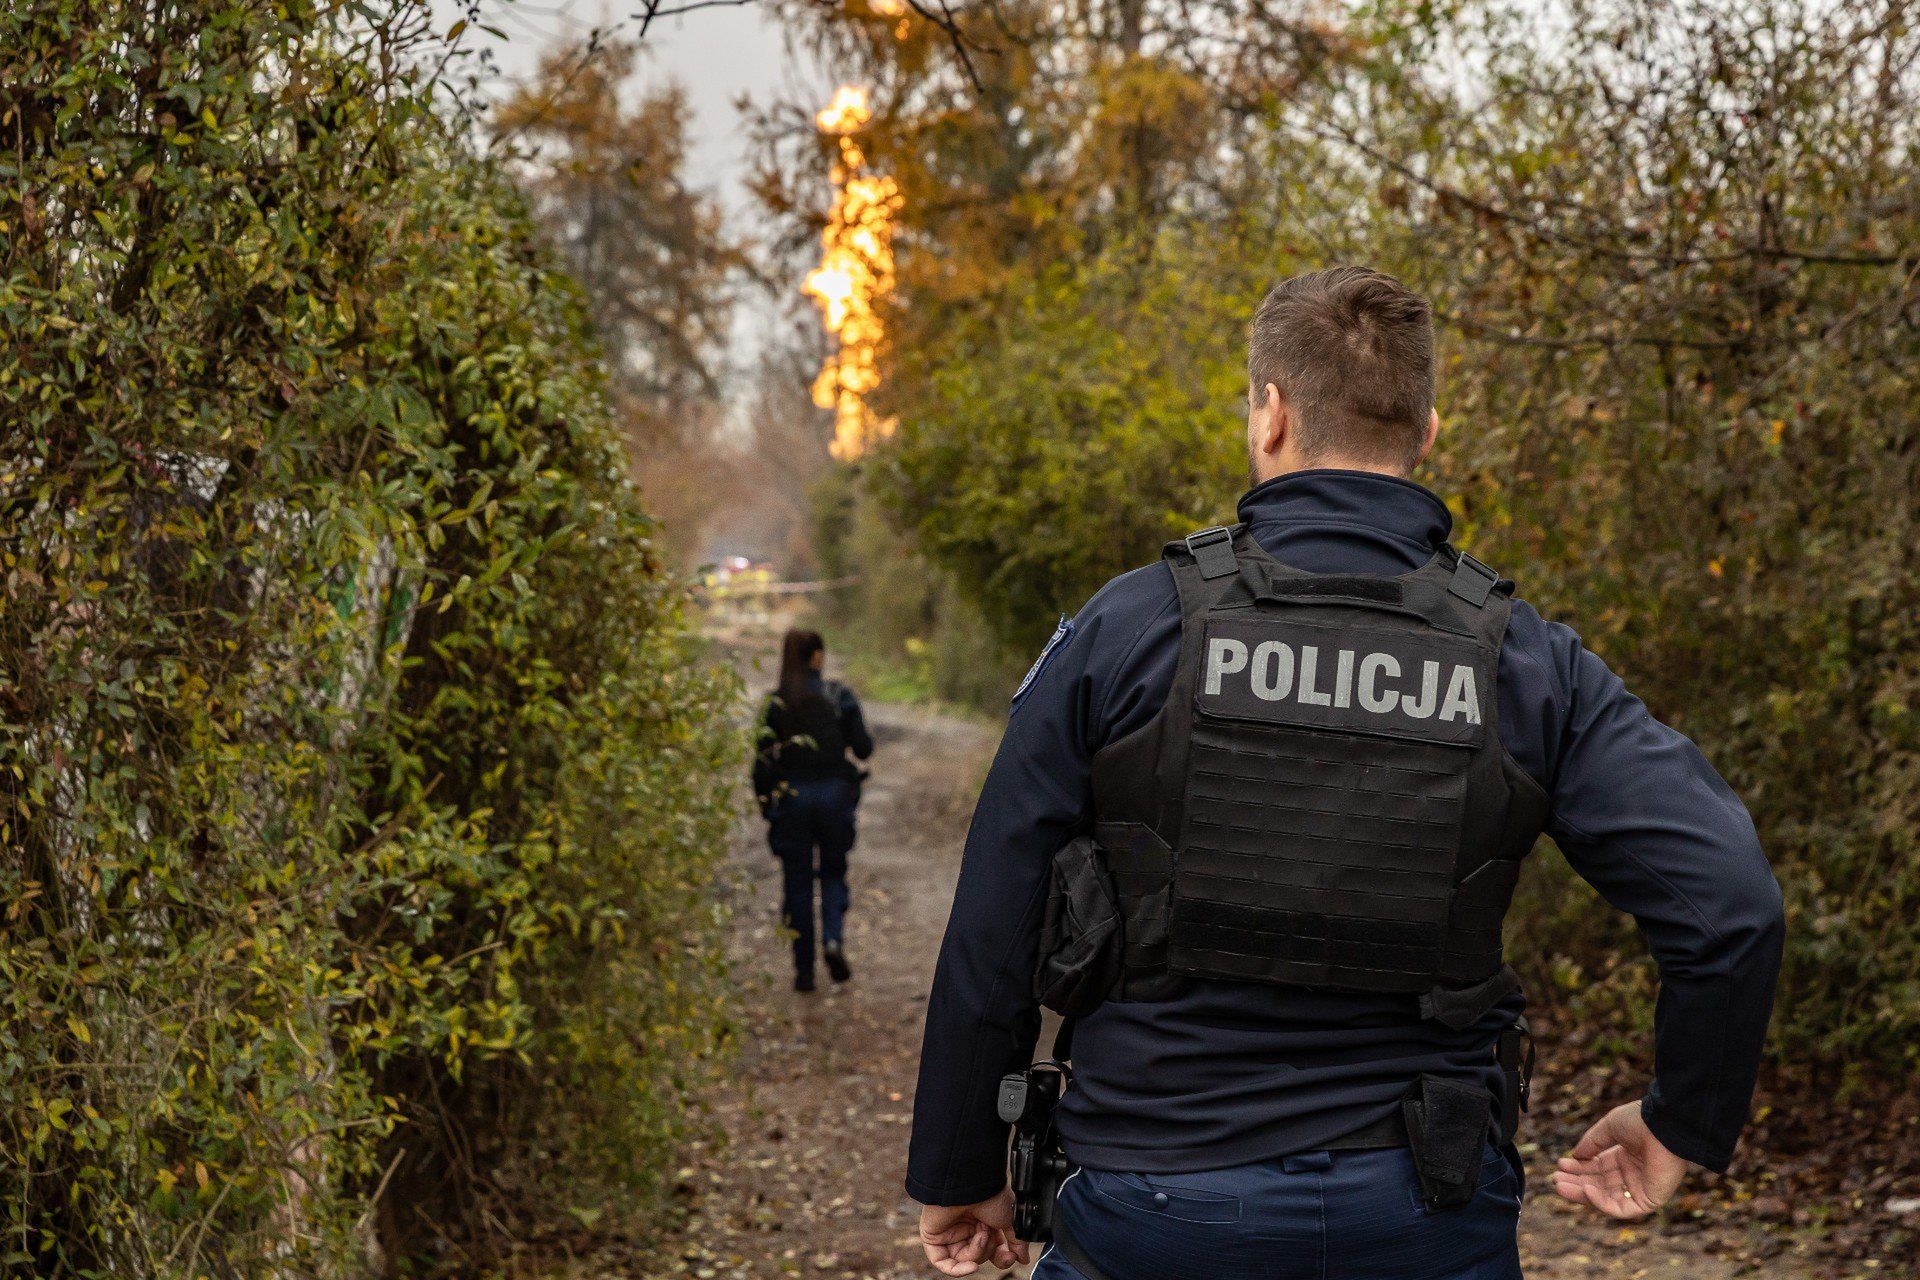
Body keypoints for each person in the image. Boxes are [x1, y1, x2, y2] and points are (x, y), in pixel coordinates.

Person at [906, 267, 1785, 1279]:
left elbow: (992, 922)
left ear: (1270, 414)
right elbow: (1729, 904)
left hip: (1156, 1204)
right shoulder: (1527, 664)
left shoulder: (1128, 630)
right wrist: (1684, 1118)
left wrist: (960, 1163)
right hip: (1421, 1207)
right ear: (1427, 431)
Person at [754, 629, 874, 993]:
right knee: (834, 872)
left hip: (792, 800)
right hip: (835, 797)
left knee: (797, 885)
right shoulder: (839, 696)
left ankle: (803, 973)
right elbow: (864, 749)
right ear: (816, 657)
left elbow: (761, 764)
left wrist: (766, 806)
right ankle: (833, 941)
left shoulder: (774, 704)